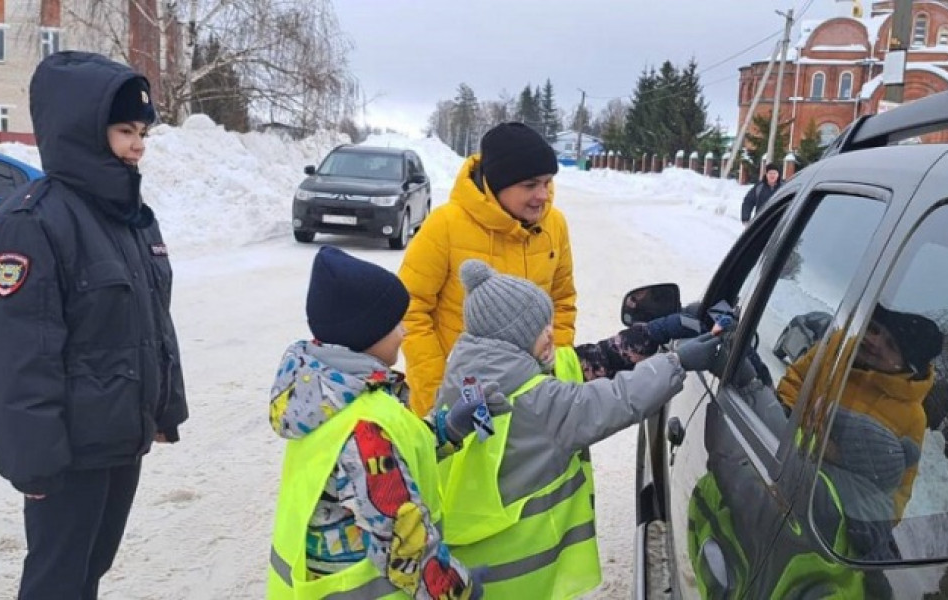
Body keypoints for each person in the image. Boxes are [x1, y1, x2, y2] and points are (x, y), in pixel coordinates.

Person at [0, 51, 187, 599]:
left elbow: (152, 322)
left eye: (143, 133)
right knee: (56, 581)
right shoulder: (32, 224)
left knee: (89, 570)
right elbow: (16, 360)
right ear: (82, 131)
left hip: (119, 437)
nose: (138, 144)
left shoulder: (130, 217)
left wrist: (163, 408)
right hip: (68, 453)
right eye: (124, 130)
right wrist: (34, 464)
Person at [432, 260, 721, 599]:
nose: (552, 335)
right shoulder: (538, 403)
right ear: (514, 340)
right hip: (522, 576)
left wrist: (656, 331)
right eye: (542, 329)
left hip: (470, 562)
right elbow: (617, 400)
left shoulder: (468, 380)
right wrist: (678, 362)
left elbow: (592, 359)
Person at [266, 246, 490, 599]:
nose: (403, 331)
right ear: (365, 334)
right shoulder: (365, 425)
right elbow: (403, 534)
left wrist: (447, 430)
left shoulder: (323, 396)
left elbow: (383, 465)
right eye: (393, 324)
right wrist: (456, 589)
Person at [399, 122, 576, 417]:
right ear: (496, 183)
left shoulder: (554, 225)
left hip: (530, 399)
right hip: (456, 406)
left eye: (547, 183)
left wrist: (554, 369)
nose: (543, 195)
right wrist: (438, 391)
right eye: (530, 185)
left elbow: (562, 301)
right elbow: (410, 309)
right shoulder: (445, 224)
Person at [778, 304, 944, 515]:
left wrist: (851, 510)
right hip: (778, 461)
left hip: (819, 512)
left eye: (891, 345)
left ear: (908, 366)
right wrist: (784, 421)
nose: (874, 342)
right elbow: (794, 381)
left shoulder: (912, 418)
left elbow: (895, 498)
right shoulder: (836, 347)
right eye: (874, 329)